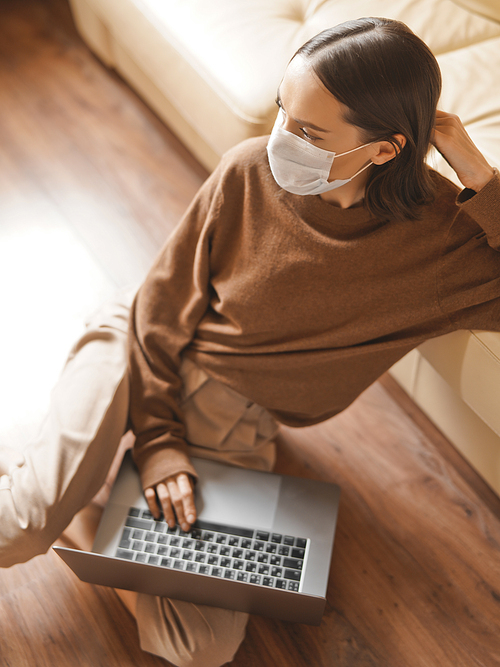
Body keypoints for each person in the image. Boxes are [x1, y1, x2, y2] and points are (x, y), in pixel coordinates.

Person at [1, 16, 499, 667]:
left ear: (384, 149)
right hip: (140, 346)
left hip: (235, 416)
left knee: (201, 646)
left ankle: (87, 509)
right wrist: (156, 447)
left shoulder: (441, 248)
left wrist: (475, 170)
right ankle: (71, 488)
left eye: (308, 132)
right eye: (282, 111)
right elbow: (157, 309)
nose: (278, 140)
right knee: (21, 524)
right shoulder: (247, 170)